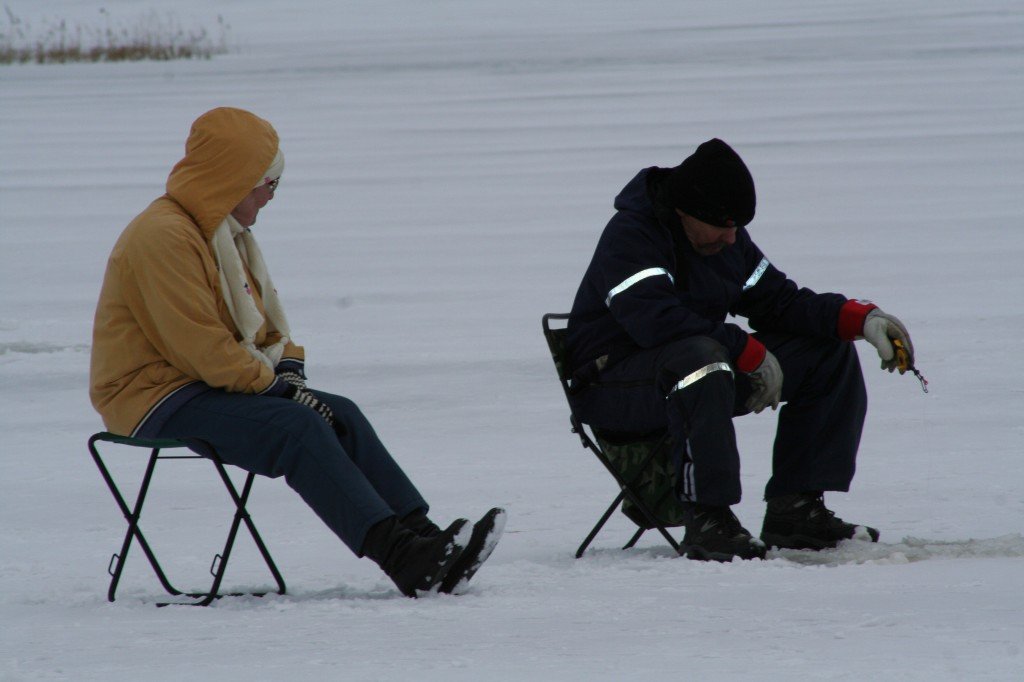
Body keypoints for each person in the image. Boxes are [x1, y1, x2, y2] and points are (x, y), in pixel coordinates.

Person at [89, 107, 505, 597]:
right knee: (298, 426)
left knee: (339, 413)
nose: (271, 196)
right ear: (233, 180)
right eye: (268, 183)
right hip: (153, 397)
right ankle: (403, 558)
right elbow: (204, 349)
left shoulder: (223, 236)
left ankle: (429, 542)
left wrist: (287, 366)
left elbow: (262, 329)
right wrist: (278, 390)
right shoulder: (163, 238)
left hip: (201, 384)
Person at [565, 138, 914, 561]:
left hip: (693, 371)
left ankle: (795, 510)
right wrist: (741, 348)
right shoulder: (631, 235)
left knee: (827, 353)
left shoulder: (723, 240)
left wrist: (856, 318)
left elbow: (779, 302)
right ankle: (708, 517)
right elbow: (654, 321)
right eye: (724, 225)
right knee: (701, 360)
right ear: (685, 210)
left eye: (738, 226)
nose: (733, 238)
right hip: (612, 387)